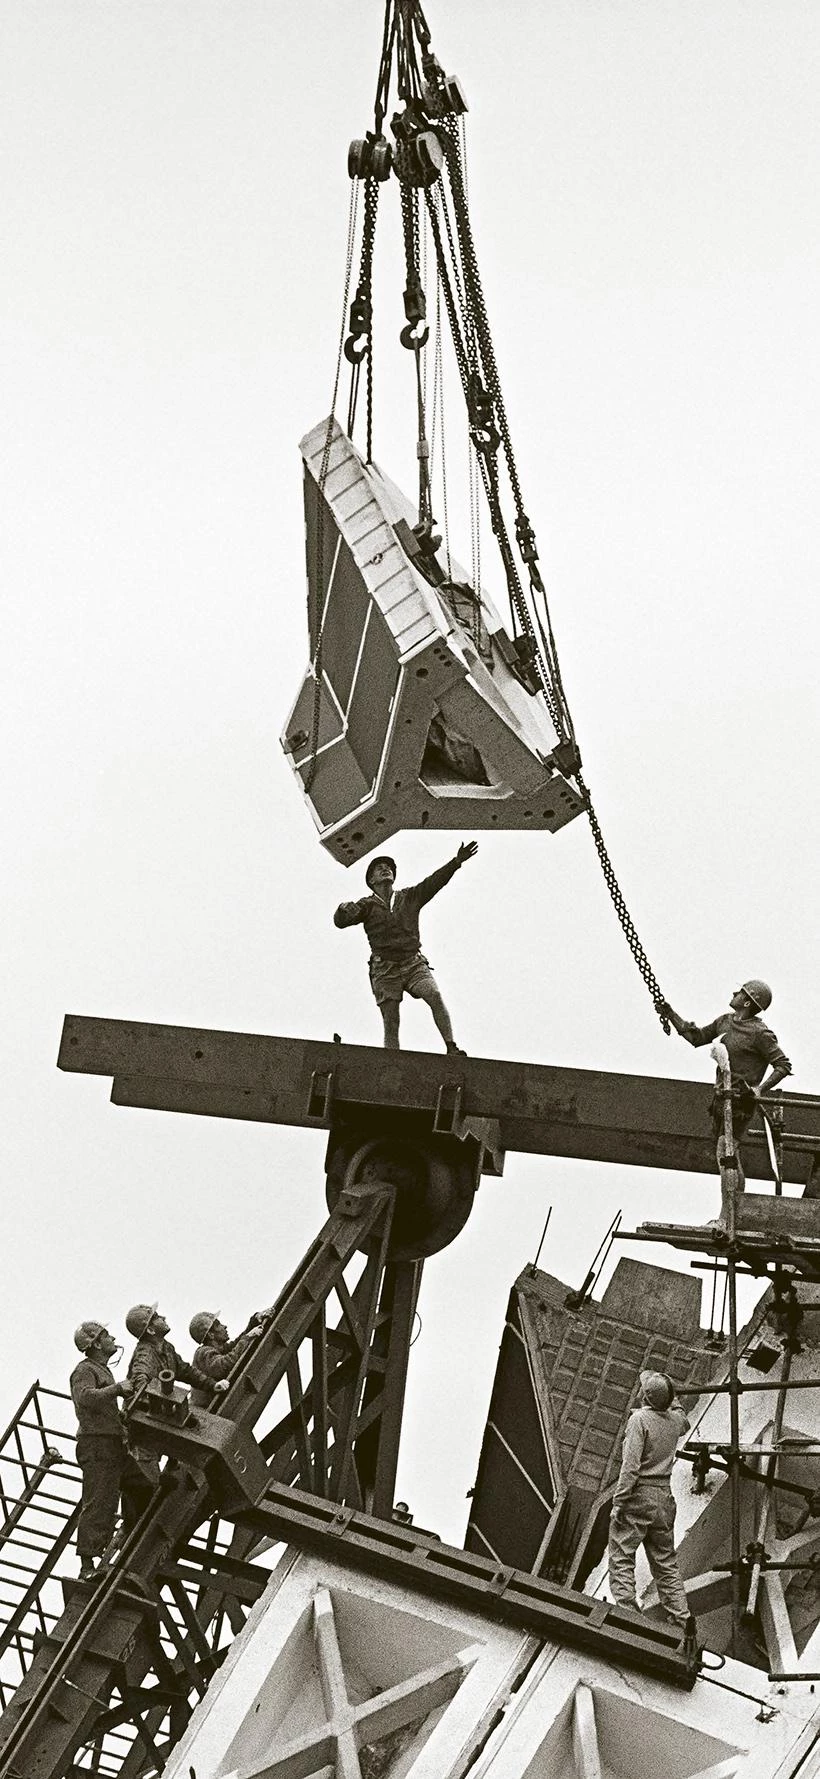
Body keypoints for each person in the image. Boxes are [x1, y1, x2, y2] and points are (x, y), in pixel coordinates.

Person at [333, 843, 478, 1051]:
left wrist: (456, 862)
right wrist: (341, 910)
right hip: (385, 969)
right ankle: (392, 1058)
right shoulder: (366, 905)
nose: (386, 869)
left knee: (434, 995)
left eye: (389, 867)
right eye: (379, 868)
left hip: (413, 963)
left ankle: (451, 1046)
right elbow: (341, 922)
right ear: (371, 880)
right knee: (391, 1021)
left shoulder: (409, 896)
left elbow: (434, 882)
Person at [661, 980, 792, 1162]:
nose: (733, 993)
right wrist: (670, 1015)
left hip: (740, 1102)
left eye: (740, 992)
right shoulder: (725, 1021)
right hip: (721, 1097)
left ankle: (733, 1188)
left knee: (727, 1152)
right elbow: (697, 1037)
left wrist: (759, 1090)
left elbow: (783, 1065)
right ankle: (730, 1187)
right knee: (722, 1154)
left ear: (747, 1002)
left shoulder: (760, 1033)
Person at [124, 1304, 225, 1525]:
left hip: (158, 1421)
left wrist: (211, 1385)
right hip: (144, 1426)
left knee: (159, 1475)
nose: (164, 1317)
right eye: (157, 1317)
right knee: (145, 1483)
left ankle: (142, 1518)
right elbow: (141, 1380)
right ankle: (133, 1530)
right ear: (150, 1329)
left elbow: (184, 1370)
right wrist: (155, 1396)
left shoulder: (165, 1348)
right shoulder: (145, 1354)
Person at [608, 1370, 692, 1631]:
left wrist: (619, 1503)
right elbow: (683, 1419)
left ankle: (628, 1616)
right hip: (664, 1499)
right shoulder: (675, 1421)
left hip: (639, 1496)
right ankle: (683, 1619)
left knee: (622, 1555)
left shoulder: (639, 1420)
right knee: (666, 1564)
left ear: (644, 1395)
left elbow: (630, 1468)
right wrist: (672, 1398)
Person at [70, 1320, 135, 1580]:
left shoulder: (100, 1369)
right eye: (107, 1336)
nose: (113, 1339)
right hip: (96, 1444)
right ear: (96, 1343)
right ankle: (87, 1566)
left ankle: (126, 1534)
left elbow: (102, 1406)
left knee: (130, 1488)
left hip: (110, 1442)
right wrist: (117, 1389)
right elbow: (85, 1397)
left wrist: (120, 1415)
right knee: (98, 1502)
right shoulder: (84, 1370)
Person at [187, 1308, 270, 1408]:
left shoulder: (216, 1349)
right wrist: (247, 1338)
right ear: (211, 1334)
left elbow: (234, 1346)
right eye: (219, 1325)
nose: (224, 1327)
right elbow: (223, 1366)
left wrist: (254, 1321)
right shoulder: (203, 1352)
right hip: (204, 1412)